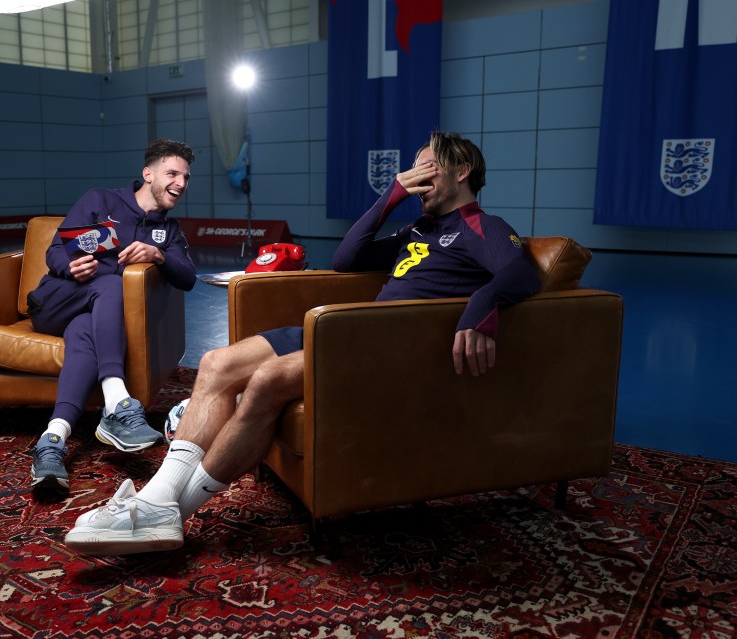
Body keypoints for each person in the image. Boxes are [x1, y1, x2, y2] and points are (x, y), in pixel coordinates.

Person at [63, 131, 541, 554]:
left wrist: (482, 305)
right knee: (216, 363)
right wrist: (391, 196)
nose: (415, 178)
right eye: (412, 170)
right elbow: (346, 259)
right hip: (345, 327)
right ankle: (156, 503)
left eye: (426, 168)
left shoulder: (484, 227)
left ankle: (165, 511)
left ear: (462, 170)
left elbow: (521, 273)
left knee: (266, 380)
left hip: (379, 343)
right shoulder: (418, 228)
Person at [28, 138, 197, 501]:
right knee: (109, 283)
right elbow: (56, 250)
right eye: (172, 173)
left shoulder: (167, 232)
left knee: (83, 332)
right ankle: (118, 402)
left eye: (185, 177)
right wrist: (70, 266)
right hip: (55, 302)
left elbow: (188, 277)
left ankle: (52, 440)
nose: (181, 183)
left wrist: (159, 256)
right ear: (147, 173)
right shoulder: (100, 200)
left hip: (89, 316)